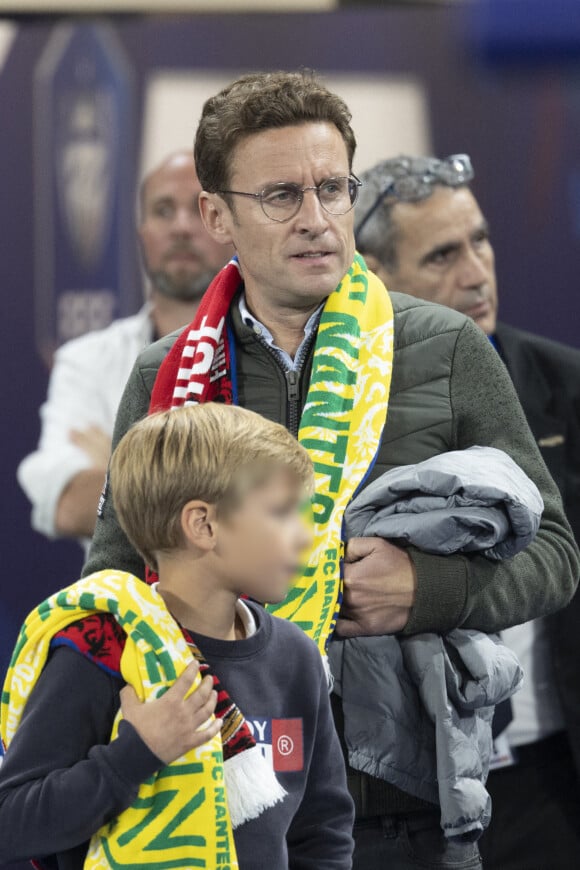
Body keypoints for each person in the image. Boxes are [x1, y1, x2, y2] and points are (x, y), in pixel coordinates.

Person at [83, 72, 580, 870]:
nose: (317, 221)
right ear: (219, 215)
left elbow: (554, 554)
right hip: (211, 798)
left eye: (333, 189)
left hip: (401, 804)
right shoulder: (165, 373)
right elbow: (110, 578)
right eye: (282, 195)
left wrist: (429, 591)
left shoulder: (446, 346)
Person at [0, 403, 355, 869]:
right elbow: (11, 826)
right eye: (282, 512)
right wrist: (137, 753)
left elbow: (322, 833)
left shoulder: (297, 657)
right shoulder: (102, 650)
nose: (306, 536)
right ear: (203, 525)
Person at [355, 152, 580, 869]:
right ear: (375, 275)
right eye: (443, 254)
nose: (477, 271)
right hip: (407, 792)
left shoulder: (566, 386)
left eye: (480, 240)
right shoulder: (348, 414)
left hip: (552, 778)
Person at [17, 150, 229, 548]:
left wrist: (119, 464)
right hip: (119, 605)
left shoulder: (270, 345)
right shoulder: (86, 360)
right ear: (142, 233)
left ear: (228, 227)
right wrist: (222, 485)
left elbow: (279, 499)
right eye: (164, 210)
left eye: (200, 211)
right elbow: (66, 503)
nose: (182, 227)